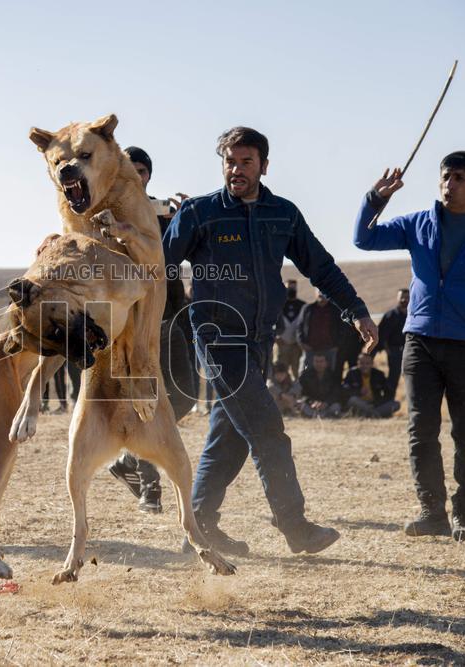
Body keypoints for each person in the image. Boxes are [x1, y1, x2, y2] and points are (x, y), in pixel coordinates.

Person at [164, 125, 377, 556]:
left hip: (260, 340)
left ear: (263, 165)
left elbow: (321, 267)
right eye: (230, 161)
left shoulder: (283, 214)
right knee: (268, 432)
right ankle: (295, 526)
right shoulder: (200, 213)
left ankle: (199, 528)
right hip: (218, 340)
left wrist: (355, 310)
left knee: (229, 437)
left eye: (246, 162)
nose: (236, 170)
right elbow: (158, 264)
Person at [354, 150, 465, 541]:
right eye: (447, 177)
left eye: (461, 179)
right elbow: (363, 239)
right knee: (421, 428)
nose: (451, 185)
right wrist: (375, 199)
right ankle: (431, 511)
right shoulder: (418, 224)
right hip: (420, 343)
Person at [109, 145, 198, 514]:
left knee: (188, 395)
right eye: (131, 168)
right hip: (133, 319)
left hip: (173, 313)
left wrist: (187, 219)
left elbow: (182, 251)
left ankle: (129, 455)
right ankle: (150, 488)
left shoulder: (164, 213)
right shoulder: (107, 214)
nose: (138, 175)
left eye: (143, 169)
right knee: (146, 400)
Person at [343, 352, 400, 418]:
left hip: (374, 404)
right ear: (358, 363)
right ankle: (375, 415)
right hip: (360, 404)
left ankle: (369, 414)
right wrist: (359, 392)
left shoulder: (379, 374)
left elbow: (387, 391)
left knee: (396, 404)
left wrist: (380, 401)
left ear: (372, 364)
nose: (364, 366)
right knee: (353, 400)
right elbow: (345, 391)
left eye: (367, 363)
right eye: (362, 363)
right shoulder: (352, 373)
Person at [295, 291, 340, 372]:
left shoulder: (335, 310)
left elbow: (342, 328)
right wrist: (301, 343)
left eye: (323, 293)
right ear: (315, 294)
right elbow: (299, 327)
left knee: (329, 374)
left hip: (329, 348)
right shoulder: (307, 308)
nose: (321, 295)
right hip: (310, 348)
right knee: (304, 373)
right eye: (319, 293)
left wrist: (337, 345)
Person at [376, 288, 409, 396]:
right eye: (402, 297)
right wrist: (388, 350)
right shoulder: (391, 315)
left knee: (412, 378)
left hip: (410, 351)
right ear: (397, 298)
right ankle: (389, 400)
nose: (404, 300)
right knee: (393, 378)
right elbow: (382, 334)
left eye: (407, 297)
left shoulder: (413, 315)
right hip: (394, 351)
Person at [297, 352, 343, 418]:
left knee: (336, 406)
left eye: (321, 361)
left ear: (326, 363)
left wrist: (326, 403)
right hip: (312, 405)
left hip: (328, 405)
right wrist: (312, 402)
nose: (319, 364)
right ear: (313, 362)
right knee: (301, 405)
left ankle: (321, 415)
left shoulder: (333, 376)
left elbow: (336, 393)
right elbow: (302, 394)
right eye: (316, 361)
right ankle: (323, 416)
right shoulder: (306, 376)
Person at [275, 279, 305, 379]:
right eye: (289, 287)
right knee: (280, 370)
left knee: (297, 371)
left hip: (297, 345)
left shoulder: (303, 306)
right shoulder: (277, 304)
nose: (291, 289)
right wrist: (276, 336)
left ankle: (297, 392)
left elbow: (305, 325)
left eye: (293, 287)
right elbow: (269, 322)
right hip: (281, 344)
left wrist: (301, 340)